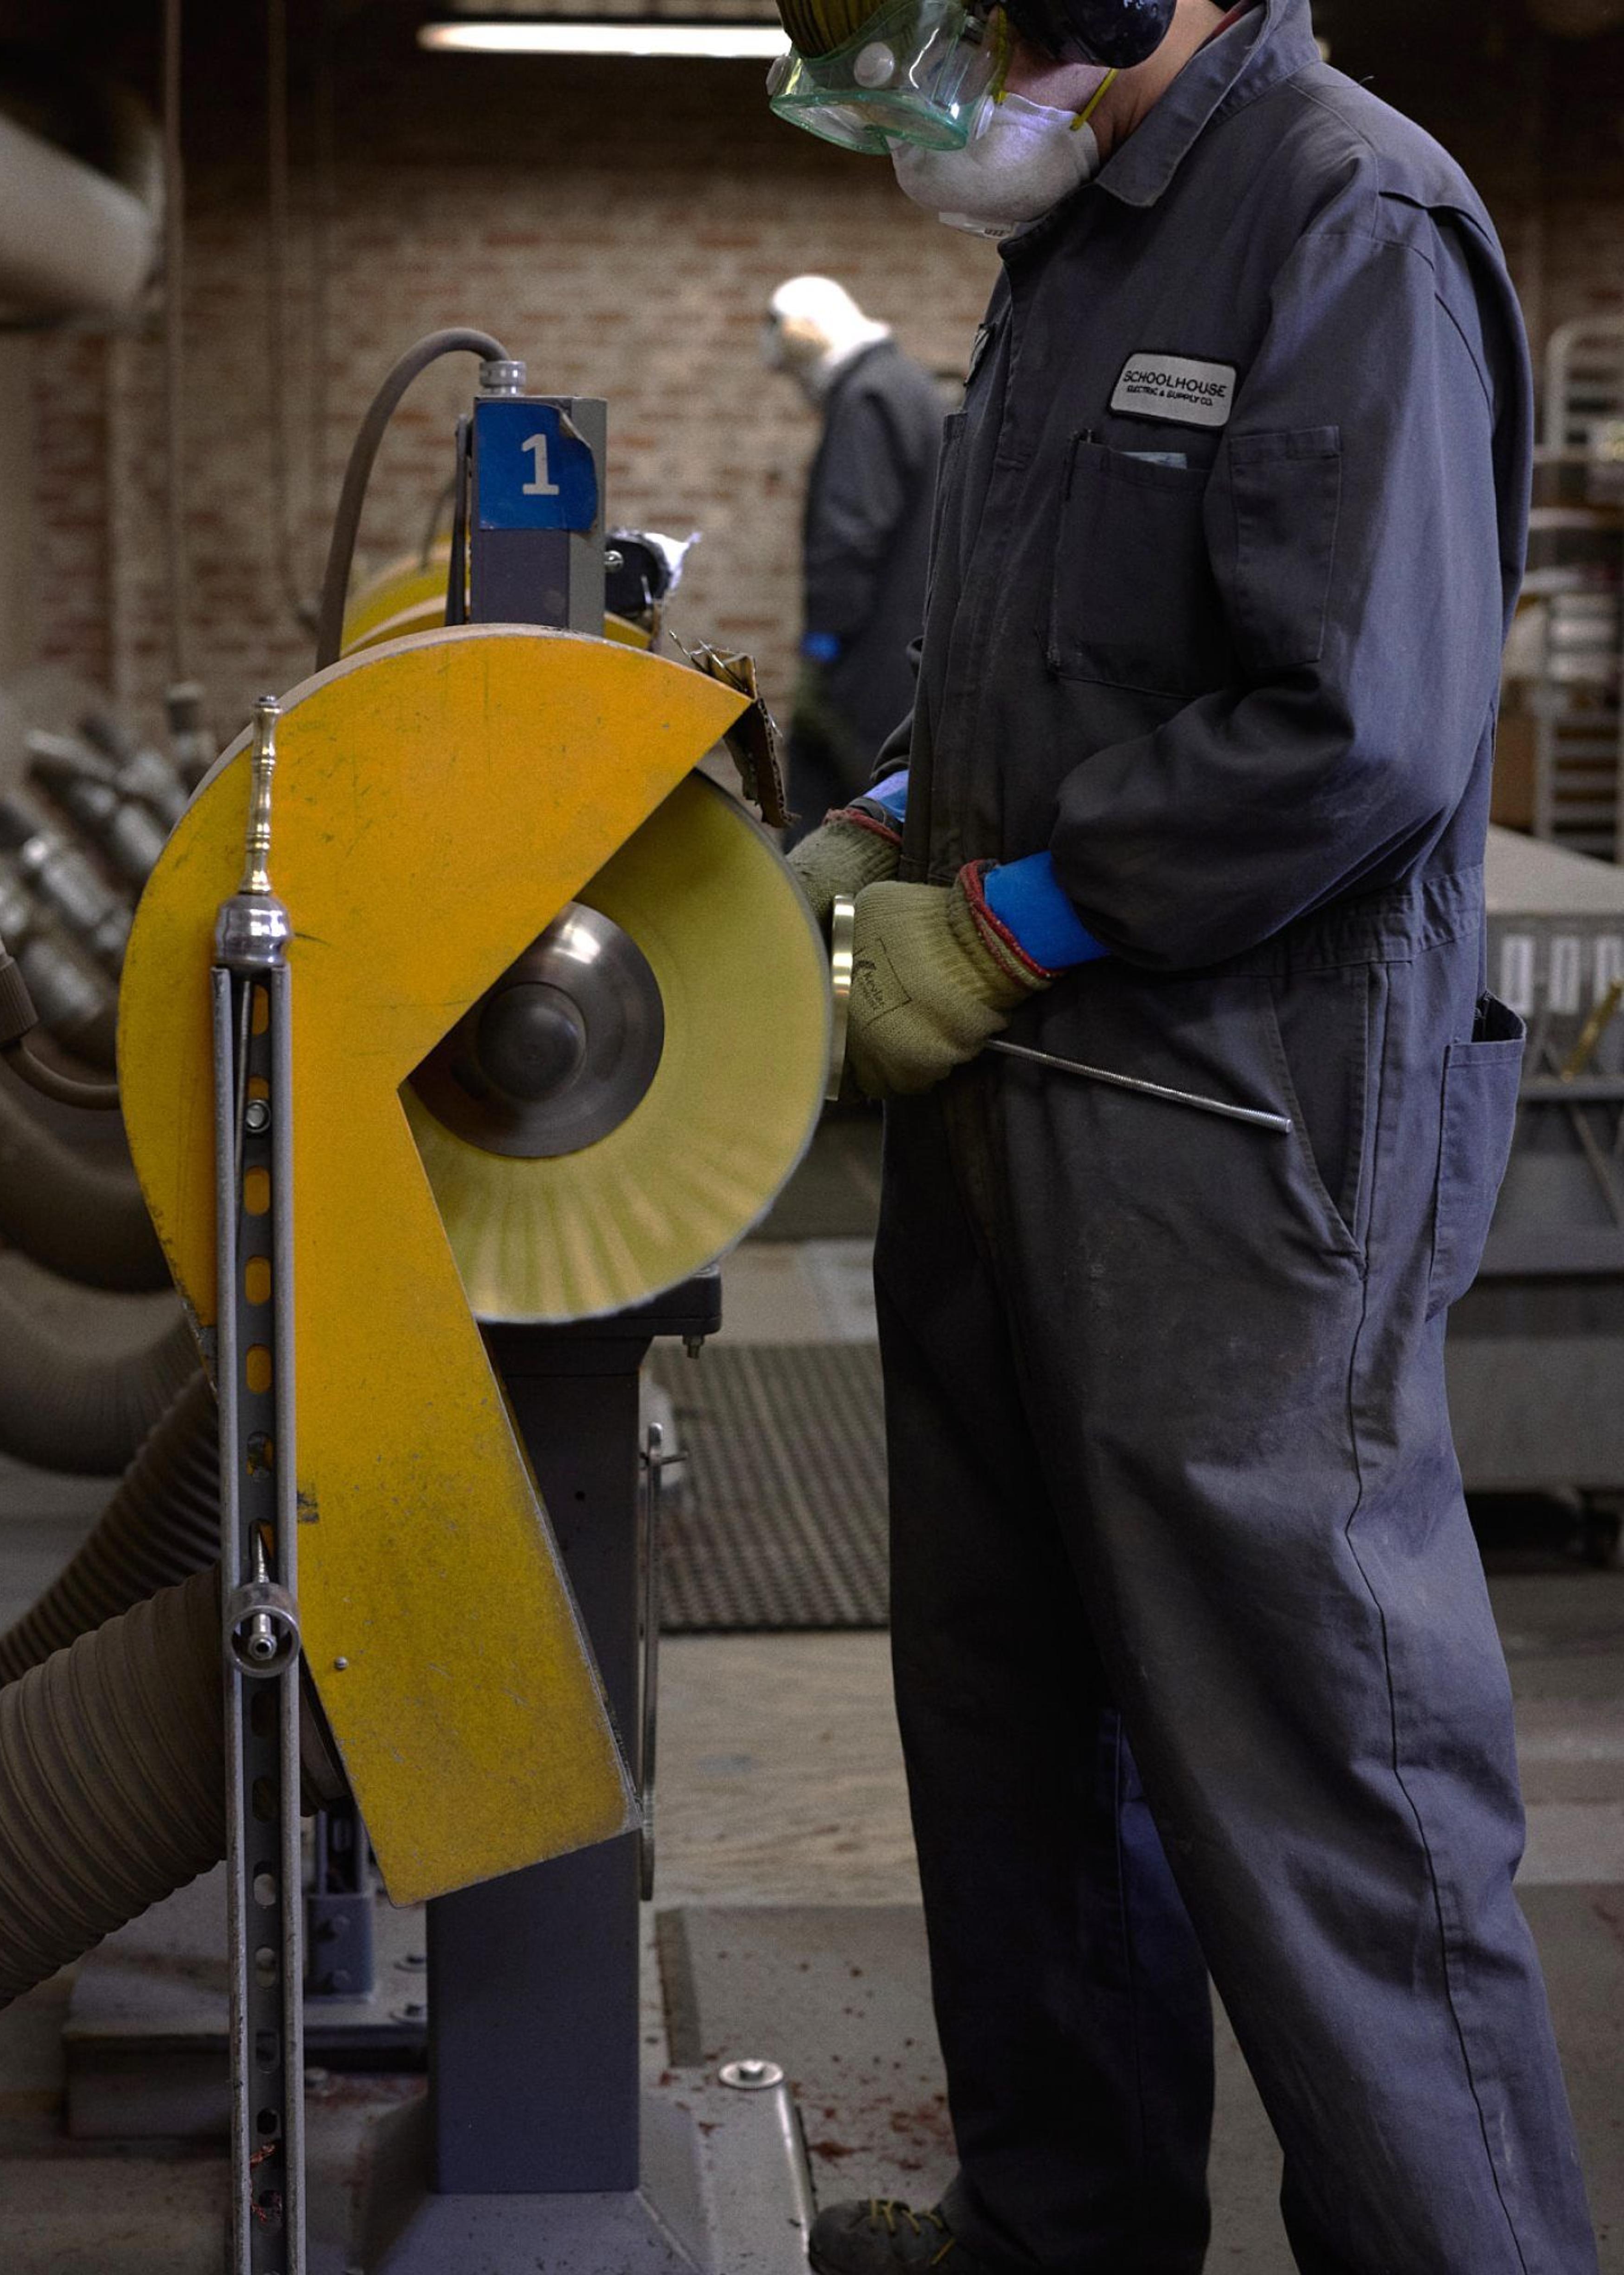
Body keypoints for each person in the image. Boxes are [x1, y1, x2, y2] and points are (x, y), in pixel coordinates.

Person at [770, 2, 1600, 2272]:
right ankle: (1063, 2233)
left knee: (1335, 1815)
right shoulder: (1072, 254)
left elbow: (1357, 728)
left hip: (1240, 1165)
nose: (896, 99)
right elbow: (1046, 666)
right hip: (1012, 1140)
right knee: (1019, 1747)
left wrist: (1018, 919)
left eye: (906, 31)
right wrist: (888, 824)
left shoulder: (1349, 217)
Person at [763, 275, 948, 843]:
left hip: (869, 662)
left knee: (832, 822)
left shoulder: (869, 396)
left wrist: (826, 636)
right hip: (902, 653)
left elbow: (849, 535)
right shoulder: (901, 384)